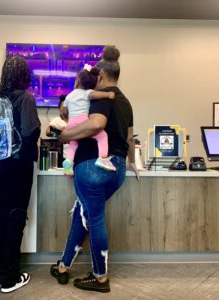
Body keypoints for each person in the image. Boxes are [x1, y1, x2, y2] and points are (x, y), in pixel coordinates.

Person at [50, 46, 139, 293]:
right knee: (84, 211)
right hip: (117, 169)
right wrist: (131, 162)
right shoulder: (125, 102)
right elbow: (130, 139)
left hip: (93, 167)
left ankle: (100, 277)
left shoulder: (100, 96)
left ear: (99, 77)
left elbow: (96, 125)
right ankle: (64, 266)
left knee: (95, 217)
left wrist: (65, 135)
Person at [0, 56, 41, 293]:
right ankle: (10, 277)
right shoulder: (25, 98)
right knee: (15, 216)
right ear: (24, 75)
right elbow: (30, 130)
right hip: (19, 166)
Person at [61, 67, 116, 176]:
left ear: (77, 81)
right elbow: (95, 95)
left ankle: (68, 161)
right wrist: (109, 94)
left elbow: (64, 110)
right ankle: (103, 158)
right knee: (102, 136)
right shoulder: (87, 92)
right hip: (83, 121)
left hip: (71, 123)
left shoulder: (69, 95)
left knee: (73, 144)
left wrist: (67, 118)